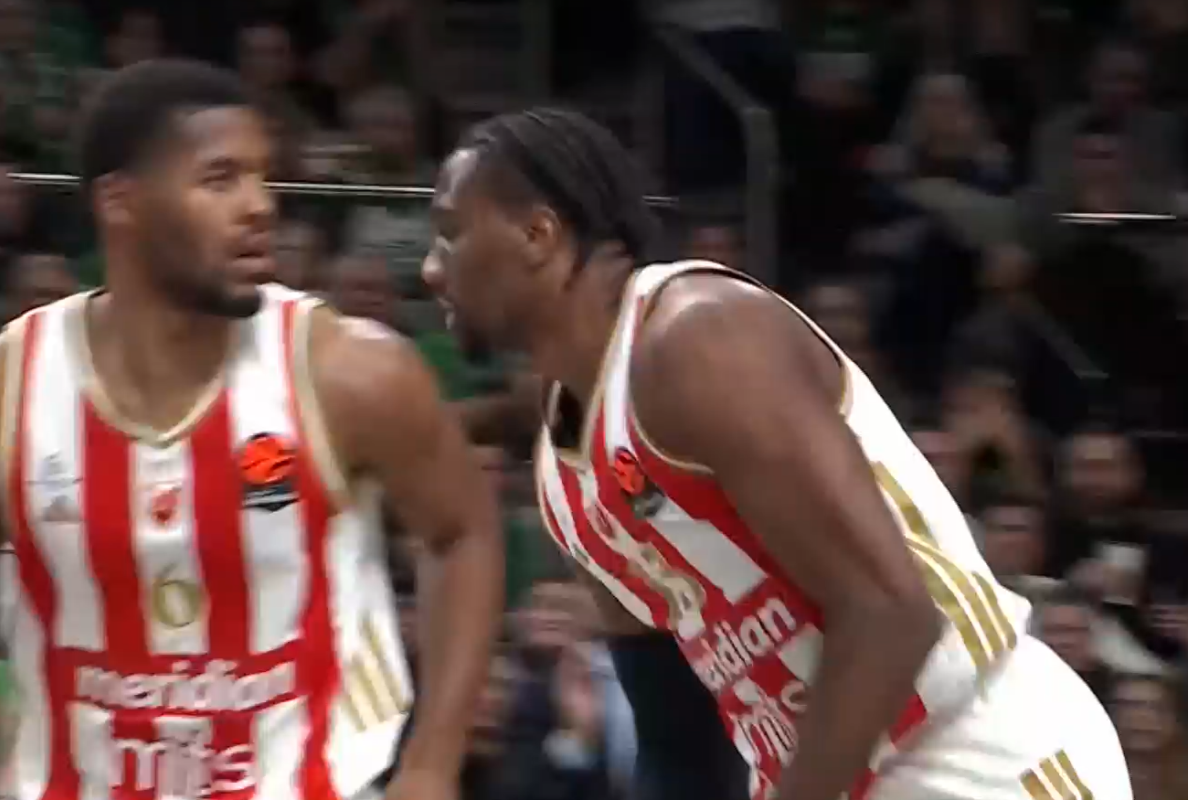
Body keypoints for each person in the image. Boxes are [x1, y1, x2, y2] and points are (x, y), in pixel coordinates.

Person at [421, 107, 1131, 800]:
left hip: (975, 754)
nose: (429, 269)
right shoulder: (564, 477)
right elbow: (678, 741)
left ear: (538, 233)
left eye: (451, 234)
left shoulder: (698, 337)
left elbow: (890, 614)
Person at [0, 59, 504, 800]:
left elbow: (463, 534)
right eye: (220, 179)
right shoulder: (9, 387)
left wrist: (431, 765)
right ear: (120, 202)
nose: (260, 206)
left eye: (263, 177)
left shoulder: (350, 371)